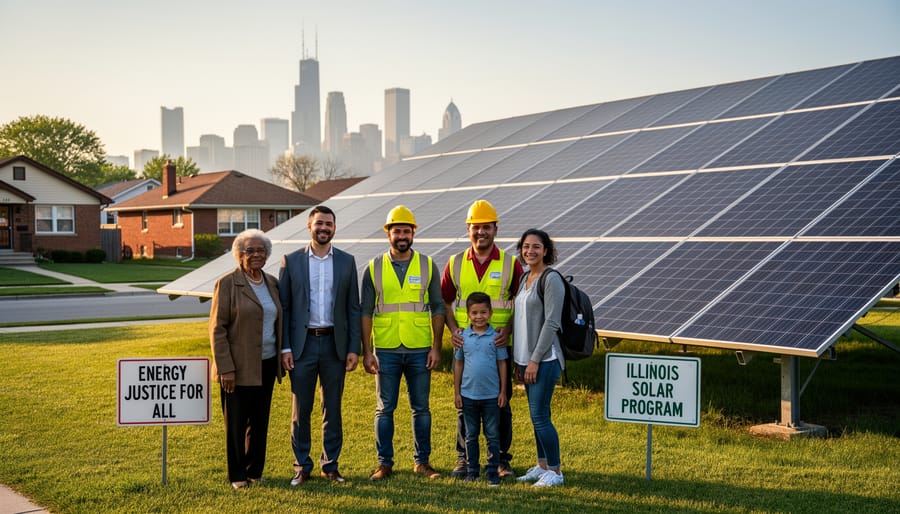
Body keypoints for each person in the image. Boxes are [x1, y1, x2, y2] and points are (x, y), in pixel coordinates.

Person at [361, 205, 445, 481]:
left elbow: (437, 307)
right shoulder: (374, 268)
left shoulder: (427, 264)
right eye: (396, 230)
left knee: (421, 408)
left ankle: (422, 462)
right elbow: (365, 312)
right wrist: (367, 351)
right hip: (385, 349)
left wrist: (435, 346)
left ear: (413, 234)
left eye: (406, 230)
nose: (402, 235)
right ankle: (384, 464)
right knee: (385, 408)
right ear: (388, 234)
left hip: (420, 348)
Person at [279, 205, 361, 485]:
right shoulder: (290, 261)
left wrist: (354, 348)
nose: (323, 228)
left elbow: (353, 308)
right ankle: (302, 465)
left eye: (328, 224)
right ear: (309, 227)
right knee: (301, 409)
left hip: (334, 347)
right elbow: (285, 309)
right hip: (301, 348)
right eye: (319, 224)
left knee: (333, 408)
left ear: (334, 228)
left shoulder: (347, 262)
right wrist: (285, 348)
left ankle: (331, 464)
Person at [441, 199, 523, 478]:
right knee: (465, 404)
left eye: (486, 227)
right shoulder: (454, 263)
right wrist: (453, 330)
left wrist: (509, 330)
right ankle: (464, 459)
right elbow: (444, 302)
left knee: (501, 403)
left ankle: (500, 460)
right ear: (468, 229)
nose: (481, 233)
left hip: (499, 347)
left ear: (495, 230)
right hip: (467, 348)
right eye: (476, 227)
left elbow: (521, 303)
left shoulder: (512, 264)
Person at [209, 229, 283, 489]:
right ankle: (238, 475)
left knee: (260, 421)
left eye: (260, 250)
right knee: (237, 424)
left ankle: (255, 470)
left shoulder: (272, 282)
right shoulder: (228, 283)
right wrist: (225, 368)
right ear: (238, 254)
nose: (256, 254)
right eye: (249, 250)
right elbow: (217, 329)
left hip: (266, 363)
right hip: (237, 367)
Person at [513, 228, 565, 487]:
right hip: (526, 359)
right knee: (536, 416)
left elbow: (552, 323)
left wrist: (534, 360)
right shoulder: (525, 278)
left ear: (546, 250)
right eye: (525, 246)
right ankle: (542, 464)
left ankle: (555, 472)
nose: (530, 251)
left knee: (541, 416)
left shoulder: (551, 279)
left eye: (536, 246)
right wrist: (520, 360)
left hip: (544, 360)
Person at [453, 292, 508, 486]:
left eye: (483, 312)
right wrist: (457, 392)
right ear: (468, 314)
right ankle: (472, 470)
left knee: (492, 434)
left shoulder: (496, 338)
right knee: (471, 435)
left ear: (490, 313)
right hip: (468, 396)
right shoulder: (463, 338)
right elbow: (458, 364)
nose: (479, 316)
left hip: (492, 396)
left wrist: (502, 391)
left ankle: (492, 471)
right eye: (474, 313)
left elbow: (502, 364)